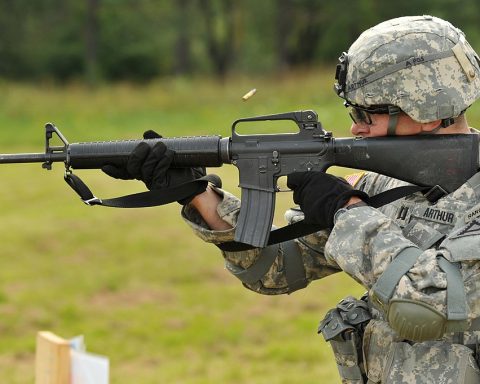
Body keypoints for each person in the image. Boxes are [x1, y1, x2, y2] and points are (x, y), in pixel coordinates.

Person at [103, 15, 480, 383]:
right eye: (353, 111)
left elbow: (430, 304)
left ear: (427, 113)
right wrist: (196, 193)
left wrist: (345, 211)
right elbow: (277, 269)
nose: (355, 127)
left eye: (368, 113)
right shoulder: (382, 186)